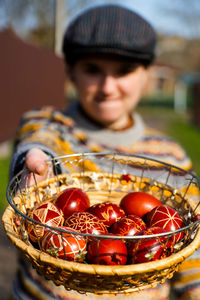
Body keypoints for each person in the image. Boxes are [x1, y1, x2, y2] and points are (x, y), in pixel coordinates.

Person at [8, 4, 200, 300]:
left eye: (123, 71)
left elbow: (190, 256)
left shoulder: (171, 158)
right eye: (93, 70)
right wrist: (37, 163)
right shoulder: (52, 125)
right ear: (71, 71)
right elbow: (39, 139)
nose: (108, 87)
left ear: (146, 73)